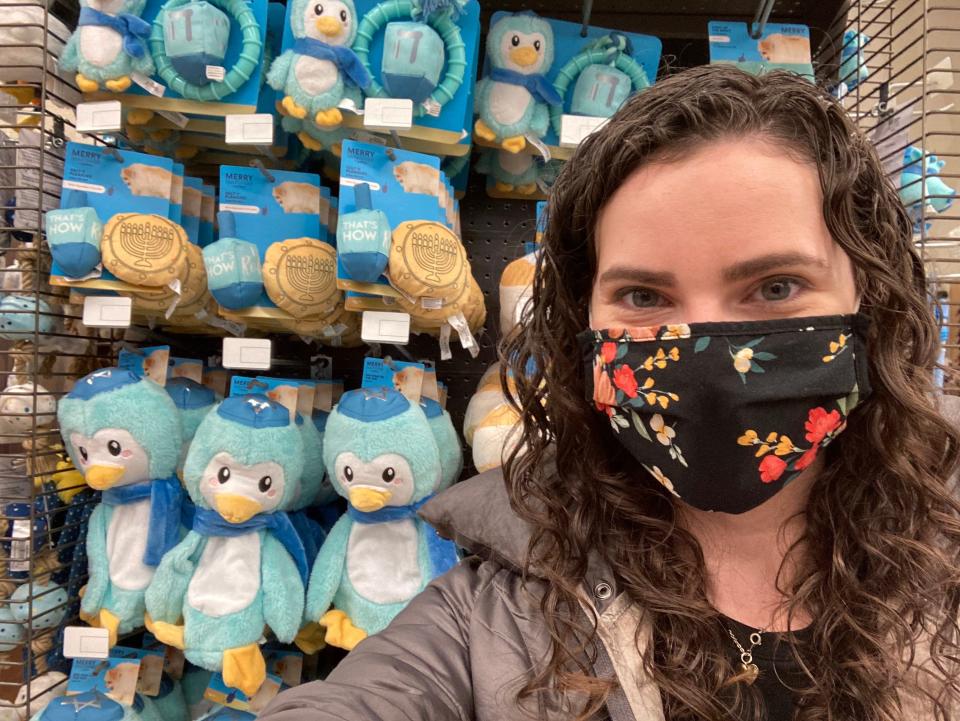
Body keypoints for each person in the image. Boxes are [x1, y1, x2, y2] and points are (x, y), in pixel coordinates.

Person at [260, 65, 960, 720]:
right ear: (580, 322)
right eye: (644, 294)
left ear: (870, 295)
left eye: (776, 287)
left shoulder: (945, 553)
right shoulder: (492, 612)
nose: (708, 347)